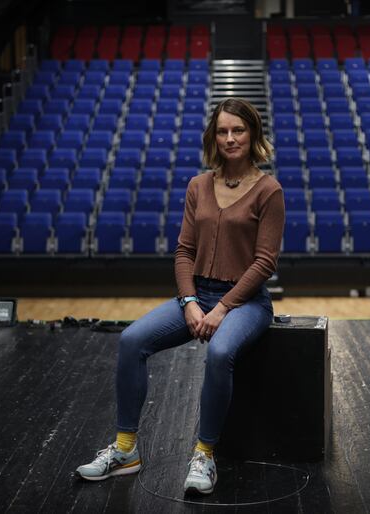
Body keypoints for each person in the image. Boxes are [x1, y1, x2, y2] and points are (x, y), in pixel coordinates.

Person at [76, 98, 285, 496]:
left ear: (253, 135)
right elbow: (184, 251)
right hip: (197, 294)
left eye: (238, 130)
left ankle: (204, 454)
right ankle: (125, 450)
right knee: (131, 340)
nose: (230, 138)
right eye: (222, 131)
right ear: (213, 136)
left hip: (245, 302)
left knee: (221, 352)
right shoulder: (198, 185)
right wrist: (190, 302)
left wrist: (222, 308)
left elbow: (264, 263)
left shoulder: (269, 190)